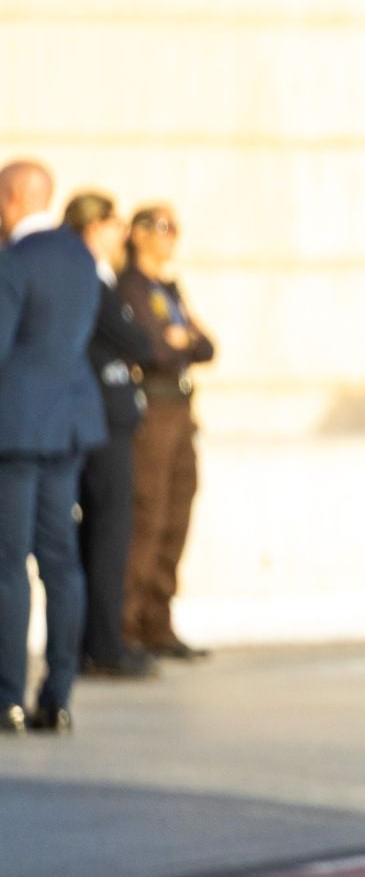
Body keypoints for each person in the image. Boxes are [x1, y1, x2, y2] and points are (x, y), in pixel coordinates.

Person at [0, 160, 108, 733]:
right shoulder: (81, 257)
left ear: (11, 197)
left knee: (8, 563)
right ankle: (58, 695)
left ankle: (7, 697)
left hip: (17, 428)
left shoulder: (14, 260)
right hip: (68, 424)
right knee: (61, 561)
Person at [64, 192, 157, 679]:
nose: (122, 234)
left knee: (103, 532)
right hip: (101, 421)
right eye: (114, 224)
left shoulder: (100, 274)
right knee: (107, 532)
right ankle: (102, 644)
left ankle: (97, 640)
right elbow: (137, 340)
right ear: (93, 226)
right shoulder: (89, 274)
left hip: (106, 418)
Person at [119, 205, 215, 661]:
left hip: (181, 408)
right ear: (138, 234)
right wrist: (179, 340)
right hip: (153, 407)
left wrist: (185, 339)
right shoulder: (131, 286)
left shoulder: (168, 288)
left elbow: (206, 345)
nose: (170, 236)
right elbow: (153, 348)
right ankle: (127, 624)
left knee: (177, 512)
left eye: (174, 227)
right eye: (161, 227)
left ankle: (157, 620)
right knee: (148, 513)